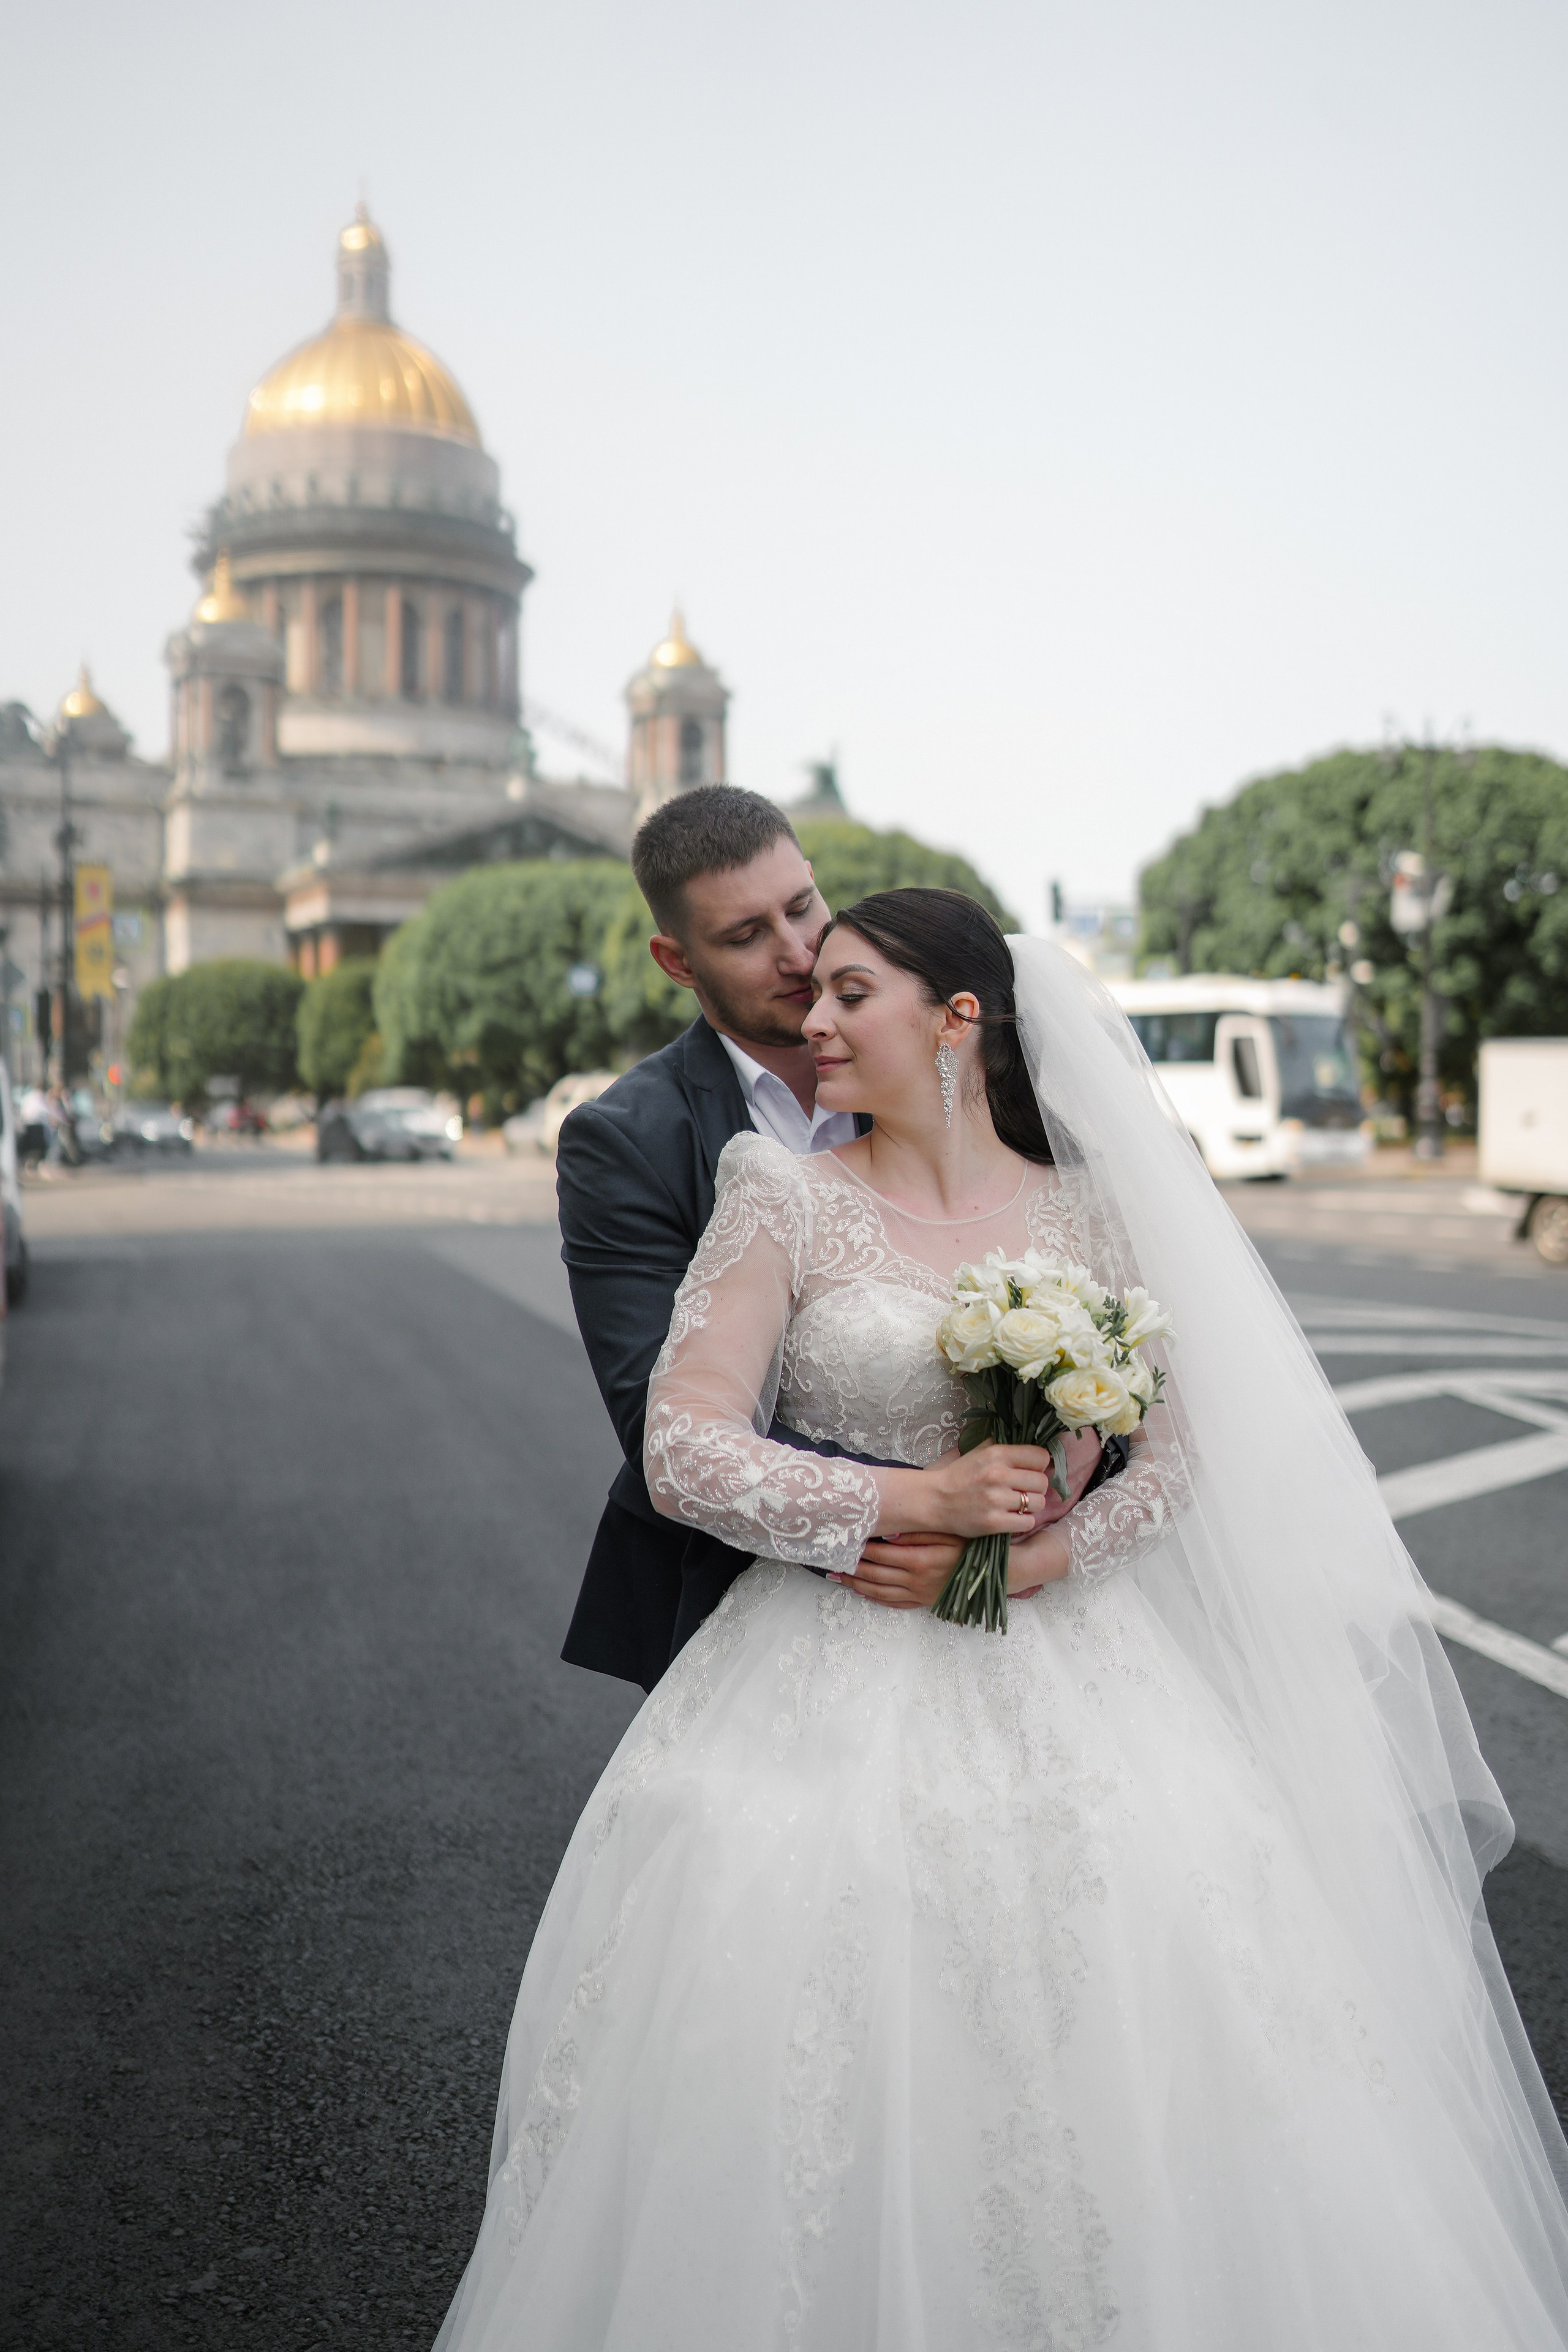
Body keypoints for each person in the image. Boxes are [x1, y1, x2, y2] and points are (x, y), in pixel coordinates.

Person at [438, 889, 1568, 2348]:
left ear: (956, 1019)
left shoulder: (1091, 1208)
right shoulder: (777, 1193)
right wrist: (916, 1509)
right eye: (811, 994)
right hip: (827, 1669)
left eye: (851, 994)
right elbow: (684, 1448)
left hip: (1086, 1673)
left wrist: (1041, 1560)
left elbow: (1180, 1452)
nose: (814, 1021)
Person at [555, 786, 1115, 1691]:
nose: (796, 954)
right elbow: (662, 1419)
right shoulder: (626, 1141)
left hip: (1042, 1596)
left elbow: (1119, 1349)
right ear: (677, 959)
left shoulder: (1012, 1101)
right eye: (744, 937)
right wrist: (931, 1507)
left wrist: (1043, 1500)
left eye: (802, 907)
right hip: (777, 1609)